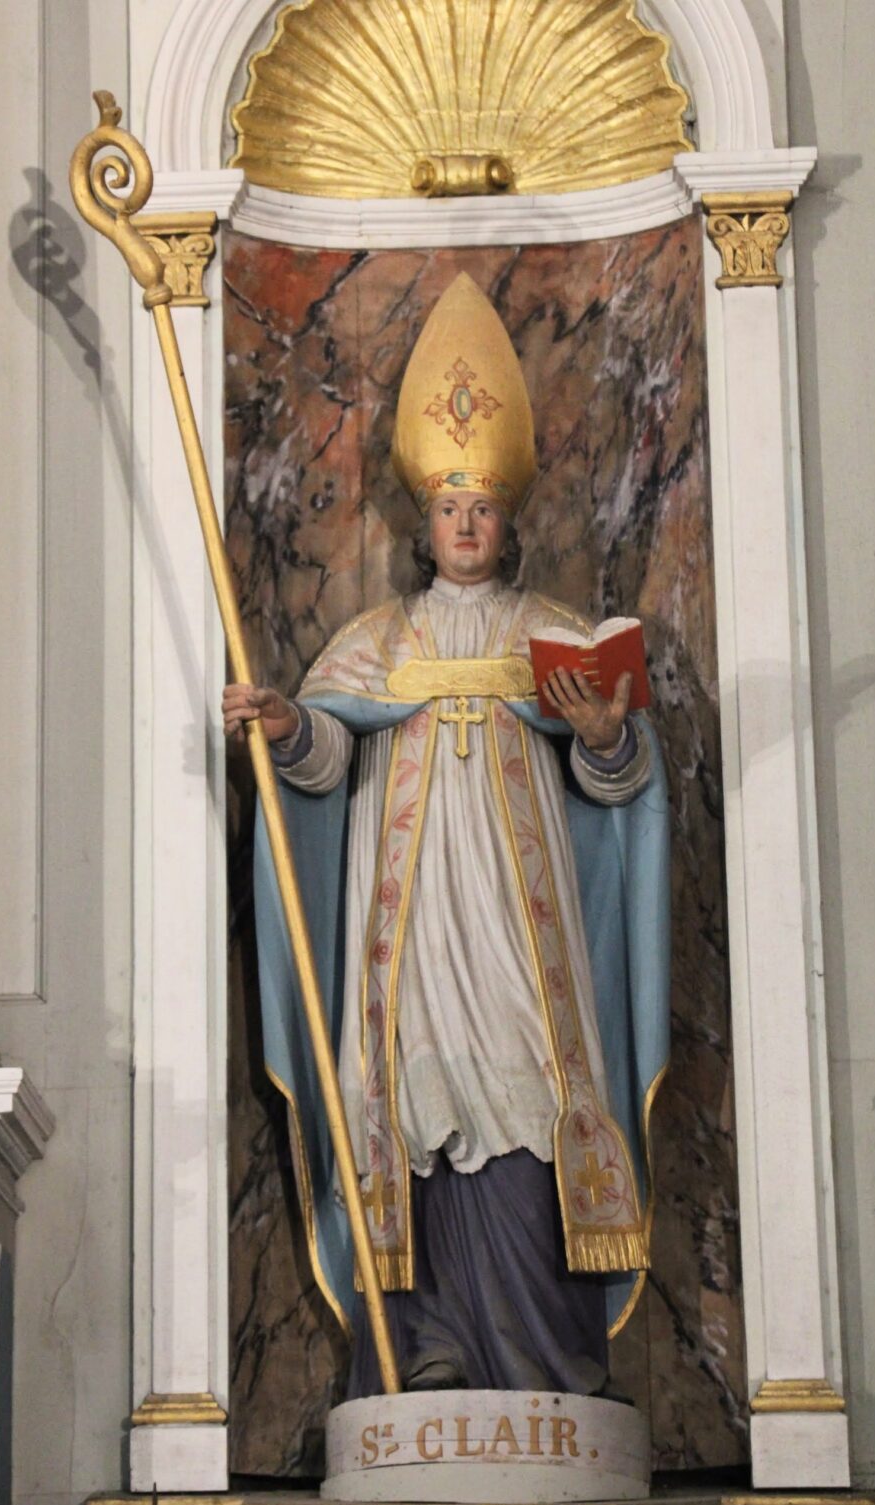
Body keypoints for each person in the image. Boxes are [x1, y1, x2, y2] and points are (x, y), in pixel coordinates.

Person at [224, 274, 669, 1397]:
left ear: (507, 524)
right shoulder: (375, 645)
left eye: (483, 509)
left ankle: (544, 1358)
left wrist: (604, 737)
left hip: (523, 928)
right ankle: (426, 1349)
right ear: (424, 527)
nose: (466, 526)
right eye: (449, 509)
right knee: (417, 1100)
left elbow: (618, 792)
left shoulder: (550, 635)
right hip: (412, 926)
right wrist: (287, 726)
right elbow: (326, 765)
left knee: (526, 1094)